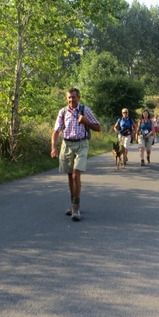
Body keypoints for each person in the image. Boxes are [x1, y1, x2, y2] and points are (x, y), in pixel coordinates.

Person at [51, 87, 101, 221]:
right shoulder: (62, 112)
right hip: (67, 144)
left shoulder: (85, 110)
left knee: (75, 175)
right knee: (69, 175)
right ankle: (72, 203)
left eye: (73, 97)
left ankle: (76, 207)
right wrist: (53, 148)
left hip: (81, 144)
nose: (71, 100)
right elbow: (56, 131)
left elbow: (98, 127)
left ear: (78, 97)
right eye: (69, 97)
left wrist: (86, 121)